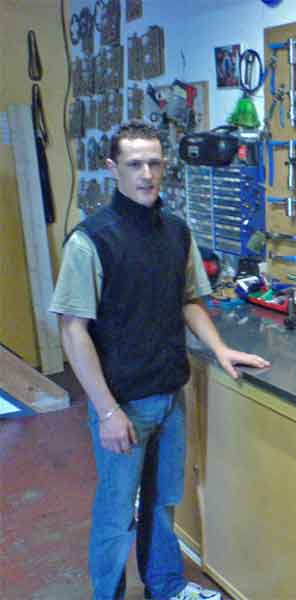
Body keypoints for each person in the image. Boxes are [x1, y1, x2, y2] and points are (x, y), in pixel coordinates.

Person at [50, 121, 269, 600]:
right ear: (113, 168)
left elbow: (188, 299)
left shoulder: (176, 232)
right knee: (116, 515)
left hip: (170, 393)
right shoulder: (91, 240)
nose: (146, 174)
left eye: (154, 163)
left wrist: (220, 348)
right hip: (122, 404)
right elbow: (73, 330)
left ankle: (166, 586)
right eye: (134, 164)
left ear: (164, 166)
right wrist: (107, 411)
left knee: (163, 502)